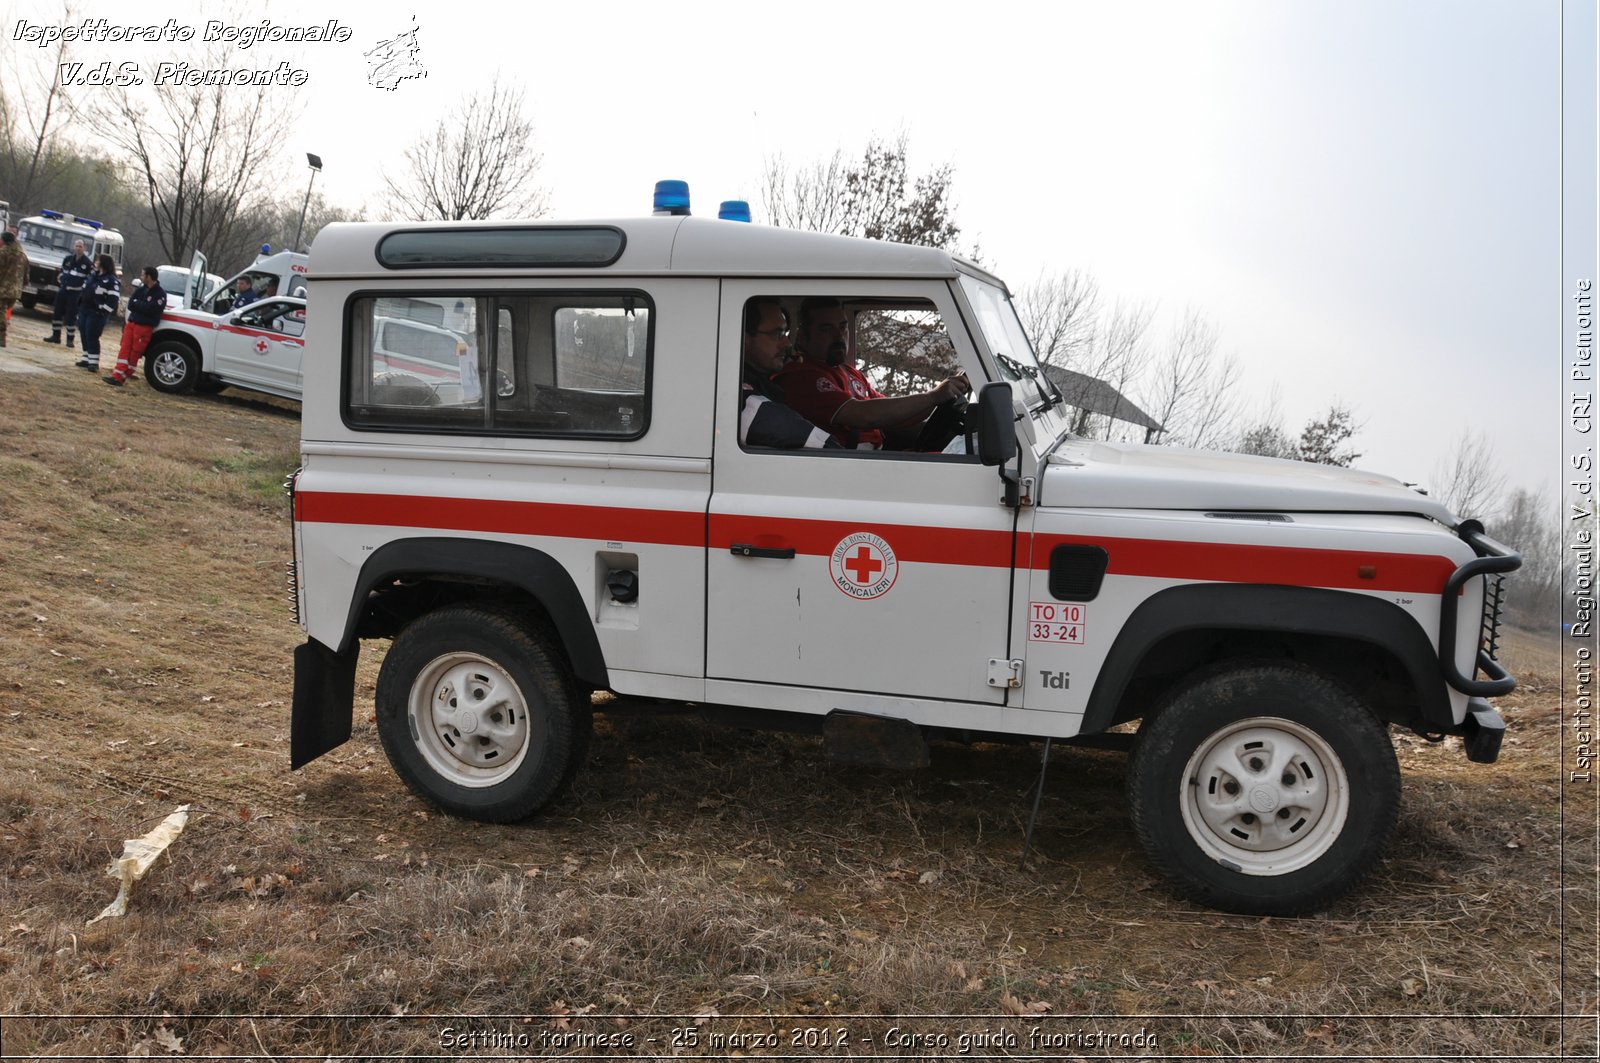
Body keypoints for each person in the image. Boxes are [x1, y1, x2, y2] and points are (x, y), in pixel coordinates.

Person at [775, 297, 970, 450]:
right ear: (802, 336)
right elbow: (863, 415)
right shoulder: (800, 377)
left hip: (871, 462)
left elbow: (894, 417)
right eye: (827, 329)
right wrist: (933, 395)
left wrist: (940, 399)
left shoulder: (850, 372)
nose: (839, 336)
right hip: (844, 469)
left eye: (843, 327)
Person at [739, 298, 840, 449]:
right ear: (744, 339)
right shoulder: (739, 396)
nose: (787, 343)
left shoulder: (766, 387)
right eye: (777, 334)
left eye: (785, 333)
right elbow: (783, 428)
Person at [105, 266, 166, 386]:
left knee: (134, 353)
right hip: (132, 324)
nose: (141, 277)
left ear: (149, 277)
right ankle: (116, 375)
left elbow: (152, 309)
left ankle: (122, 376)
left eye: (143, 275)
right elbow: (131, 304)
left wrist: (139, 305)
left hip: (144, 328)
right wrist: (142, 305)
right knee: (124, 349)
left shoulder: (160, 293)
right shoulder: (141, 290)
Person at [75, 255, 120, 373]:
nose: (95, 262)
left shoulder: (111, 280)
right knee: (83, 332)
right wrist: (79, 305)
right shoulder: (93, 276)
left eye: (98, 260)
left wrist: (103, 311)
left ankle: (94, 362)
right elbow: (84, 291)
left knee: (92, 335)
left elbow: (113, 299)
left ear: (103, 263)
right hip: (85, 309)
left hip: (96, 313)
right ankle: (86, 358)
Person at [46, 239, 93, 348]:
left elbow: (89, 280)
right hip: (63, 290)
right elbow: (61, 272)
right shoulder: (68, 259)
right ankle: (55, 335)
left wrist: (81, 288)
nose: (78, 248)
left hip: (75, 293)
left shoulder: (87, 263)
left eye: (80, 246)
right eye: (76, 246)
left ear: (84, 248)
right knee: (57, 312)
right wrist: (62, 281)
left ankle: (70, 339)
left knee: (71, 315)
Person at [0, 231, 26, 348]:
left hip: (3, 289)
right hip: (16, 291)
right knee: (4, 313)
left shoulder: (3, 253)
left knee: (1, 314)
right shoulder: (22, 255)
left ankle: (1, 338)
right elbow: (26, 276)